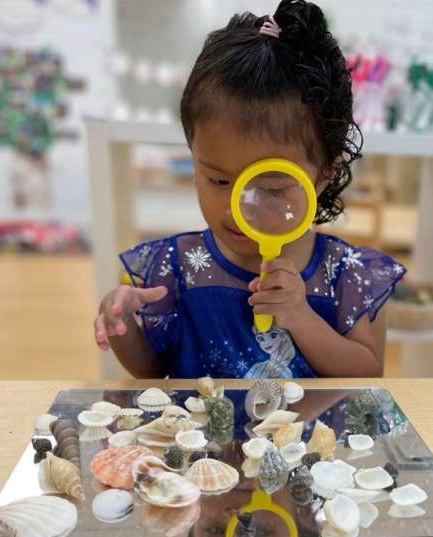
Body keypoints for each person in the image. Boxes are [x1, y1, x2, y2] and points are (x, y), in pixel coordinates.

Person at [93, 0, 405, 379]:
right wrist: (123, 327)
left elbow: (366, 374)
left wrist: (301, 317)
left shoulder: (342, 272)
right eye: (218, 180)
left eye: (270, 188)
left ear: (325, 174)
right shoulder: (177, 266)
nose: (235, 208)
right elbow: (152, 371)